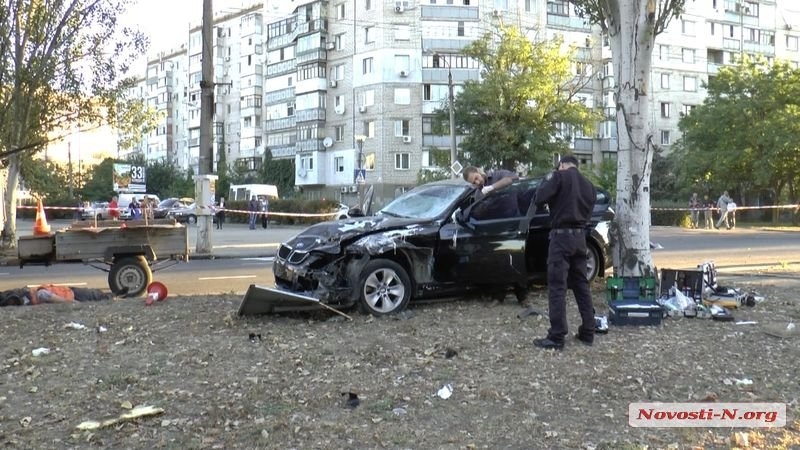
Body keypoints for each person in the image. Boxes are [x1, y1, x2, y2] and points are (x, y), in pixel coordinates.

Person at [531, 155, 597, 350]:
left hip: (561, 238)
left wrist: (549, 180)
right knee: (581, 285)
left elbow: (539, 198)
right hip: (580, 238)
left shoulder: (558, 177)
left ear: (562, 165)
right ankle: (588, 331)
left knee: (557, 286)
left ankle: (557, 335)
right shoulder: (588, 185)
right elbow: (588, 211)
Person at [0, 285, 114, 306]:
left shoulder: (25, 297)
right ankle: (119, 297)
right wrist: (71, 303)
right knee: (98, 296)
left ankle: (119, 296)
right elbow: (43, 295)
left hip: (70, 293)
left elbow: (43, 294)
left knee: (99, 296)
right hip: (71, 295)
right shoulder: (26, 298)